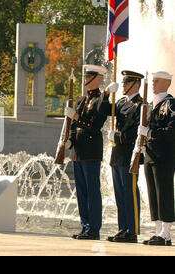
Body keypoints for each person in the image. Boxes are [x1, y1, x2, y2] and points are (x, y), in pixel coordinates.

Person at [64, 65, 110, 240]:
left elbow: (94, 125)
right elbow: (74, 127)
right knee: (81, 192)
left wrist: (76, 117)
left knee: (92, 191)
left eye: (89, 77)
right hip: (78, 151)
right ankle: (85, 226)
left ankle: (94, 229)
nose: (85, 80)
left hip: (91, 151)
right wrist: (70, 141)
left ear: (97, 79)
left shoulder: (101, 101)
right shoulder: (81, 100)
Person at [102, 71, 144, 243]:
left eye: (127, 83)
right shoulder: (119, 103)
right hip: (117, 155)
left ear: (136, 84)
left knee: (130, 193)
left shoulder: (140, 106)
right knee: (119, 194)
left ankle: (132, 231)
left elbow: (134, 135)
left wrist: (116, 137)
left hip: (129, 155)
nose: (124, 85)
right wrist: (106, 94)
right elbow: (103, 110)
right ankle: (123, 228)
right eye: (124, 83)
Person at [138, 71, 174, 246]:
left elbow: (171, 131)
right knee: (153, 193)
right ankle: (158, 230)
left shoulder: (171, 105)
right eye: (152, 81)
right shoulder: (151, 104)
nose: (153, 84)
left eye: (157, 81)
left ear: (167, 84)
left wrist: (150, 133)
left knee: (164, 192)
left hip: (164, 155)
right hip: (150, 154)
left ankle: (166, 233)